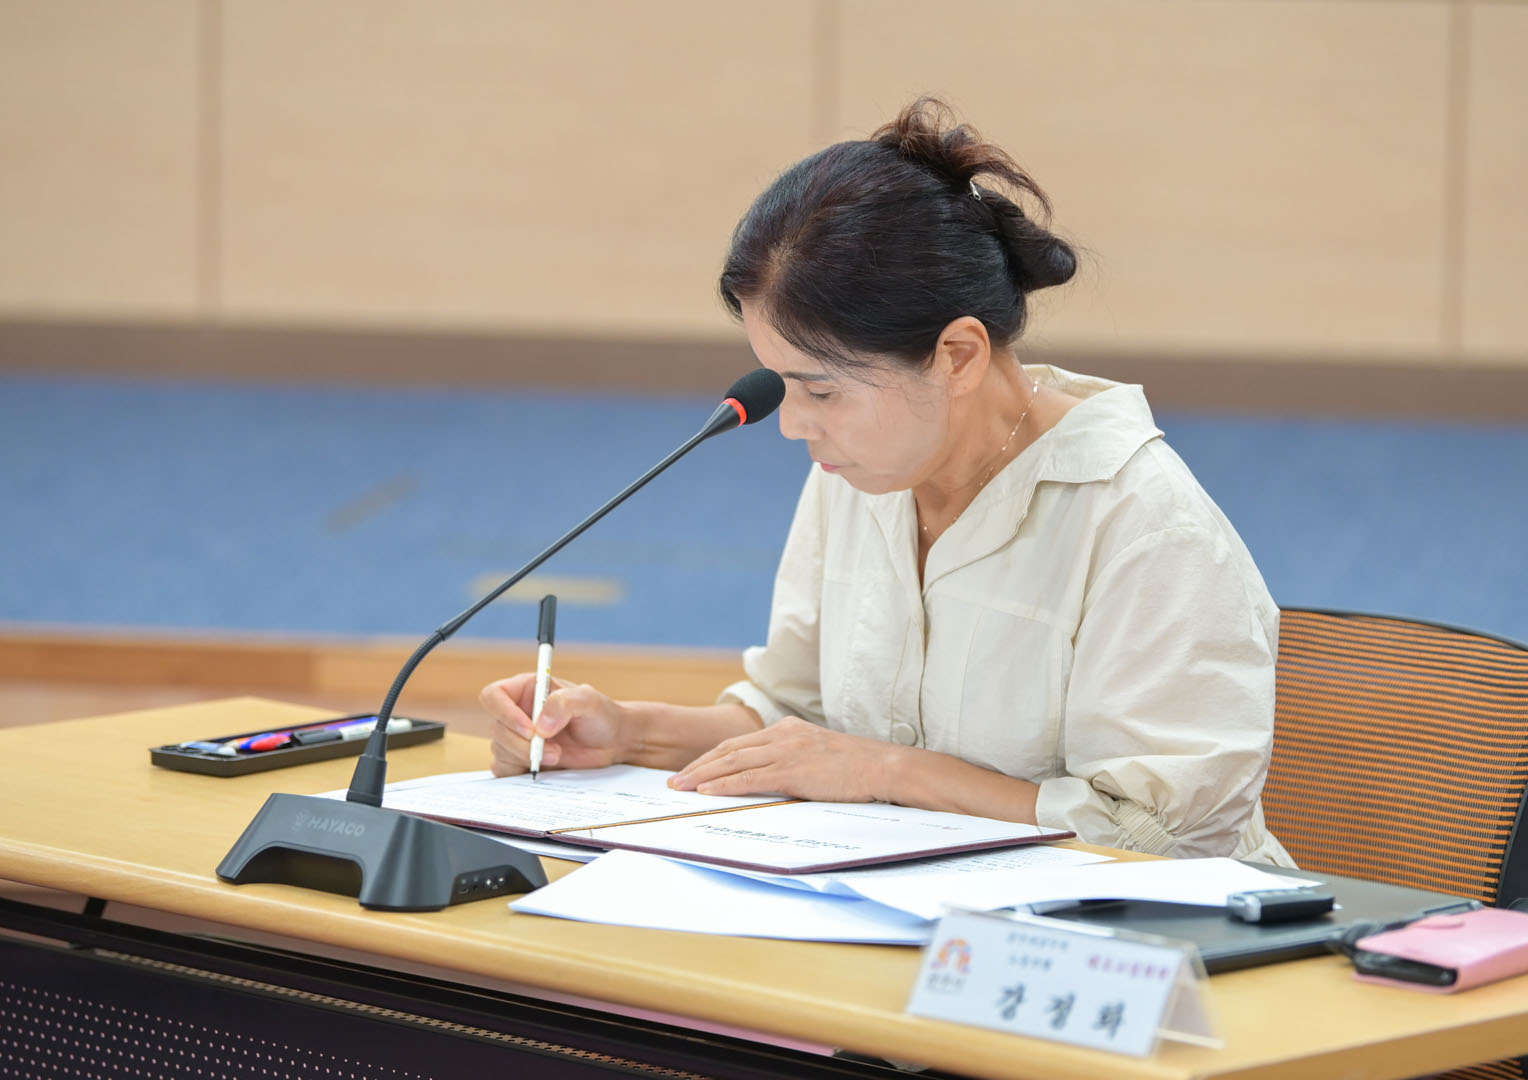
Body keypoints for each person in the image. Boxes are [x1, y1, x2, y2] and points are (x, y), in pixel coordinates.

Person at [483, 98, 1292, 865]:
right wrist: (625, 733)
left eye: (821, 391)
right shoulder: (863, 470)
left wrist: (888, 772)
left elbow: (1161, 839)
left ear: (958, 356)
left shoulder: (1145, 524)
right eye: (782, 386)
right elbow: (795, 720)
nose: (794, 426)